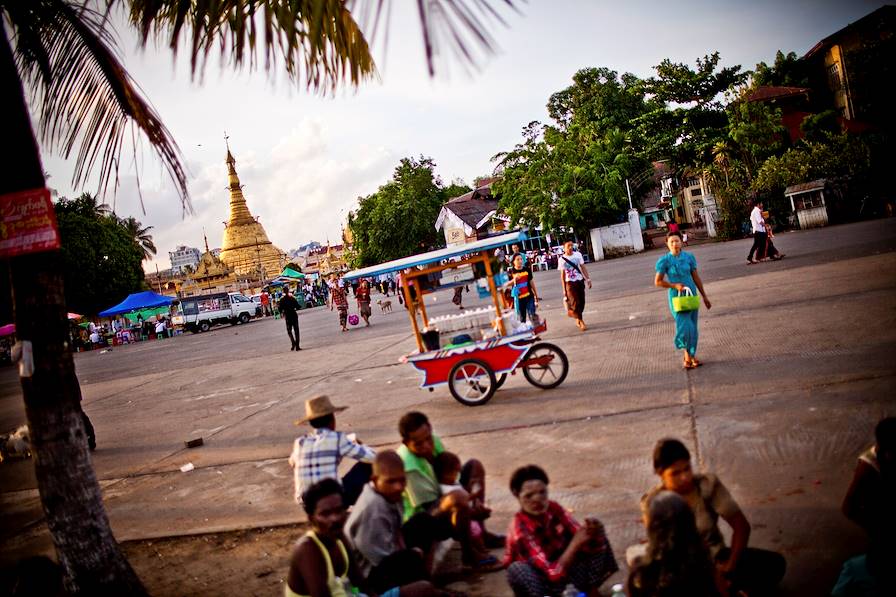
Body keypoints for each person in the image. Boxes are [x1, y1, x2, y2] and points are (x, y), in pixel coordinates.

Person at [642, 438, 786, 596]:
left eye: (687, 469)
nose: (685, 477)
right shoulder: (654, 503)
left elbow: (741, 527)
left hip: (717, 558)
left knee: (775, 564)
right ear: (660, 474)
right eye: (675, 473)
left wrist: (730, 565)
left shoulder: (706, 485)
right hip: (681, 570)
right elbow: (659, 549)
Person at [287, 479, 442, 597]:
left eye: (339, 510)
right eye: (325, 514)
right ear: (311, 518)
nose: (334, 518)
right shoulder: (308, 550)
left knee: (424, 588)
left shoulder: (338, 536)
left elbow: (360, 582)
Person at [397, 411, 504, 571]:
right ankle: (469, 556)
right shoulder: (409, 467)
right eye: (418, 444)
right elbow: (430, 508)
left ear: (431, 430)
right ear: (406, 443)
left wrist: (471, 494)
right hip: (421, 518)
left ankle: (480, 532)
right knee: (457, 501)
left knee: (475, 466)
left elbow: (450, 475)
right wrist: (468, 507)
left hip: (441, 495)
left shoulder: (435, 442)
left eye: (428, 439)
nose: (426, 446)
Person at [504, 465, 617, 597]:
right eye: (529, 496)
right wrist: (575, 543)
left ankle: (589, 589)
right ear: (517, 496)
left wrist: (591, 532)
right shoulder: (520, 529)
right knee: (518, 569)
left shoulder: (553, 508)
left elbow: (581, 539)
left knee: (596, 531)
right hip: (542, 582)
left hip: (562, 569)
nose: (537, 499)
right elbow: (552, 573)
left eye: (542, 492)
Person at [346, 451, 449, 594]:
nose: (398, 487)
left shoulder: (389, 494)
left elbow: (397, 531)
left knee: (424, 521)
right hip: (368, 577)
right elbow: (382, 558)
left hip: (388, 552)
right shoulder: (373, 510)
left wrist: (409, 550)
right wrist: (411, 553)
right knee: (410, 558)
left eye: (402, 480)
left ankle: (428, 585)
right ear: (375, 480)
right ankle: (425, 589)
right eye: (391, 481)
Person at [836, 417, 896, 595]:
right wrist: (879, 531)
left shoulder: (888, 454)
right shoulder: (868, 466)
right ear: (887, 453)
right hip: (879, 515)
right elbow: (848, 507)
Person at [627, 491, 722, 597]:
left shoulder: (643, 572)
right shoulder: (704, 561)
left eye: (644, 516)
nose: (642, 519)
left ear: (654, 526)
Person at [288, 395, 375, 507]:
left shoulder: (300, 442)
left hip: (306, 501)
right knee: (368, 466)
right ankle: (368, 506)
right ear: (332, 420)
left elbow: (292, 462)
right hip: (331, 498)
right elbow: (372, 457)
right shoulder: (337, 438)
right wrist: (360, 444)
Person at [654, 231, 711, 370]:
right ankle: (689, 357)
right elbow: (658, 281)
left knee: (693, 327)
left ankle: (689, 357)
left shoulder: (689, 257)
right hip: (677, 296)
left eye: (677, 241)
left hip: (691, 293)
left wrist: (704, 296)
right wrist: (674, 285)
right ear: (667, 244)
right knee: (685, 327)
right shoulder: (664, 261)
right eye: (672, 241)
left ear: (681, 242)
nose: (675, 244)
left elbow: (696, 278)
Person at [559, 241, 591, 331]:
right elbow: (562, 275)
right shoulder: (562, 259)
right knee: (575, 302)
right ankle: (581, 321)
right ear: (564, 248)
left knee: (582, 302)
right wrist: (564, 289)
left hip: (579, 281)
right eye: (568, 246)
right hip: (569, 283)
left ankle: (575, 316)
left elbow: (583, 267)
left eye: (571, 246)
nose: (570, 247)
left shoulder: (578, 255)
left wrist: (588, 279)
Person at [509, 253, 539, 325]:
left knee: (532, 315)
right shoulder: (511, 272)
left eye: (521, 259)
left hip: (529, 297)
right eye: (517, 259)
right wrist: (514, 280)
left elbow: (531, 282)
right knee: (522, 319)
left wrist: (536, 294)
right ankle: (526, 332)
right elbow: (508, 284)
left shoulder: (527, 270)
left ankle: (536, 332)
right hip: (519, 299)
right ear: (513, 262)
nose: (520, 261)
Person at [747, 200, 767, 264]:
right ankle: (750, 258)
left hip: (758, 230)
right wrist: (766, 226)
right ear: (758, 204)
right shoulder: (756, 211)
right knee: (756, 245)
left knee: (760, 244)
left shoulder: (755, 211)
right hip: (759, 230)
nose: (762, 204)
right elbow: (759, 221)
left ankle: (757, 257)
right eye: (761, 203)